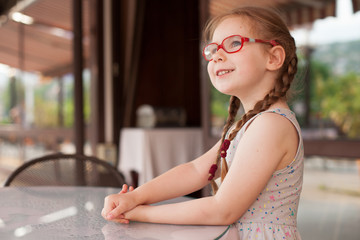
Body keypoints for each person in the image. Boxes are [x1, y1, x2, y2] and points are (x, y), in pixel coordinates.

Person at [102, 6, 303, 239]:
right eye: (213, 48)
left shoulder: (271, 125)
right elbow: (197, 170)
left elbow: (222, 210)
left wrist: (139, 213)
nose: (217, 55)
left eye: (234, 43)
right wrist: (133, 197)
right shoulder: (252, 123)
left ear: (273, 57)